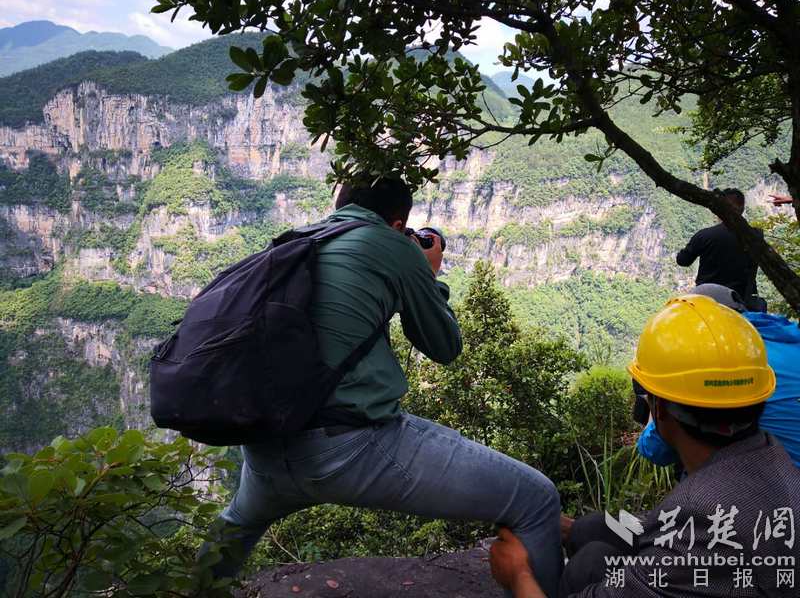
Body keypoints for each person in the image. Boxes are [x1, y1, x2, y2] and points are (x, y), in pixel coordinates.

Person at [201, 176, 564, 598]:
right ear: (396, 225)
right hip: (349, 449)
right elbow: (444, 346)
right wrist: (427, 272)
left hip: (265, 447)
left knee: (236, 525)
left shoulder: (295, 241)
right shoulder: (392, 245)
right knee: (537, 500)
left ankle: (192, 591)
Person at [490, 295, 800, 597]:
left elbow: (689, 538)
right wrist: (550, 522)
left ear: (659, 409)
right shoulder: (769, 453)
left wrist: (518, 575)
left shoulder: (699, 518)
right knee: (591, 528)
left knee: (588, 566)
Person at [638, 284, 800, 468]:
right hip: (783, 475)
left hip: (760, 478)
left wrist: (654, 401)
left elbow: (655, 450)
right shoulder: (786, 338)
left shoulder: (722, 360)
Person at [676, 188, 764, 308]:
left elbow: (682, 260)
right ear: (742, 208)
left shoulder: (705, 235)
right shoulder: (756, 236)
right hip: (740, 301)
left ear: (719, 209)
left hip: (707, 300)